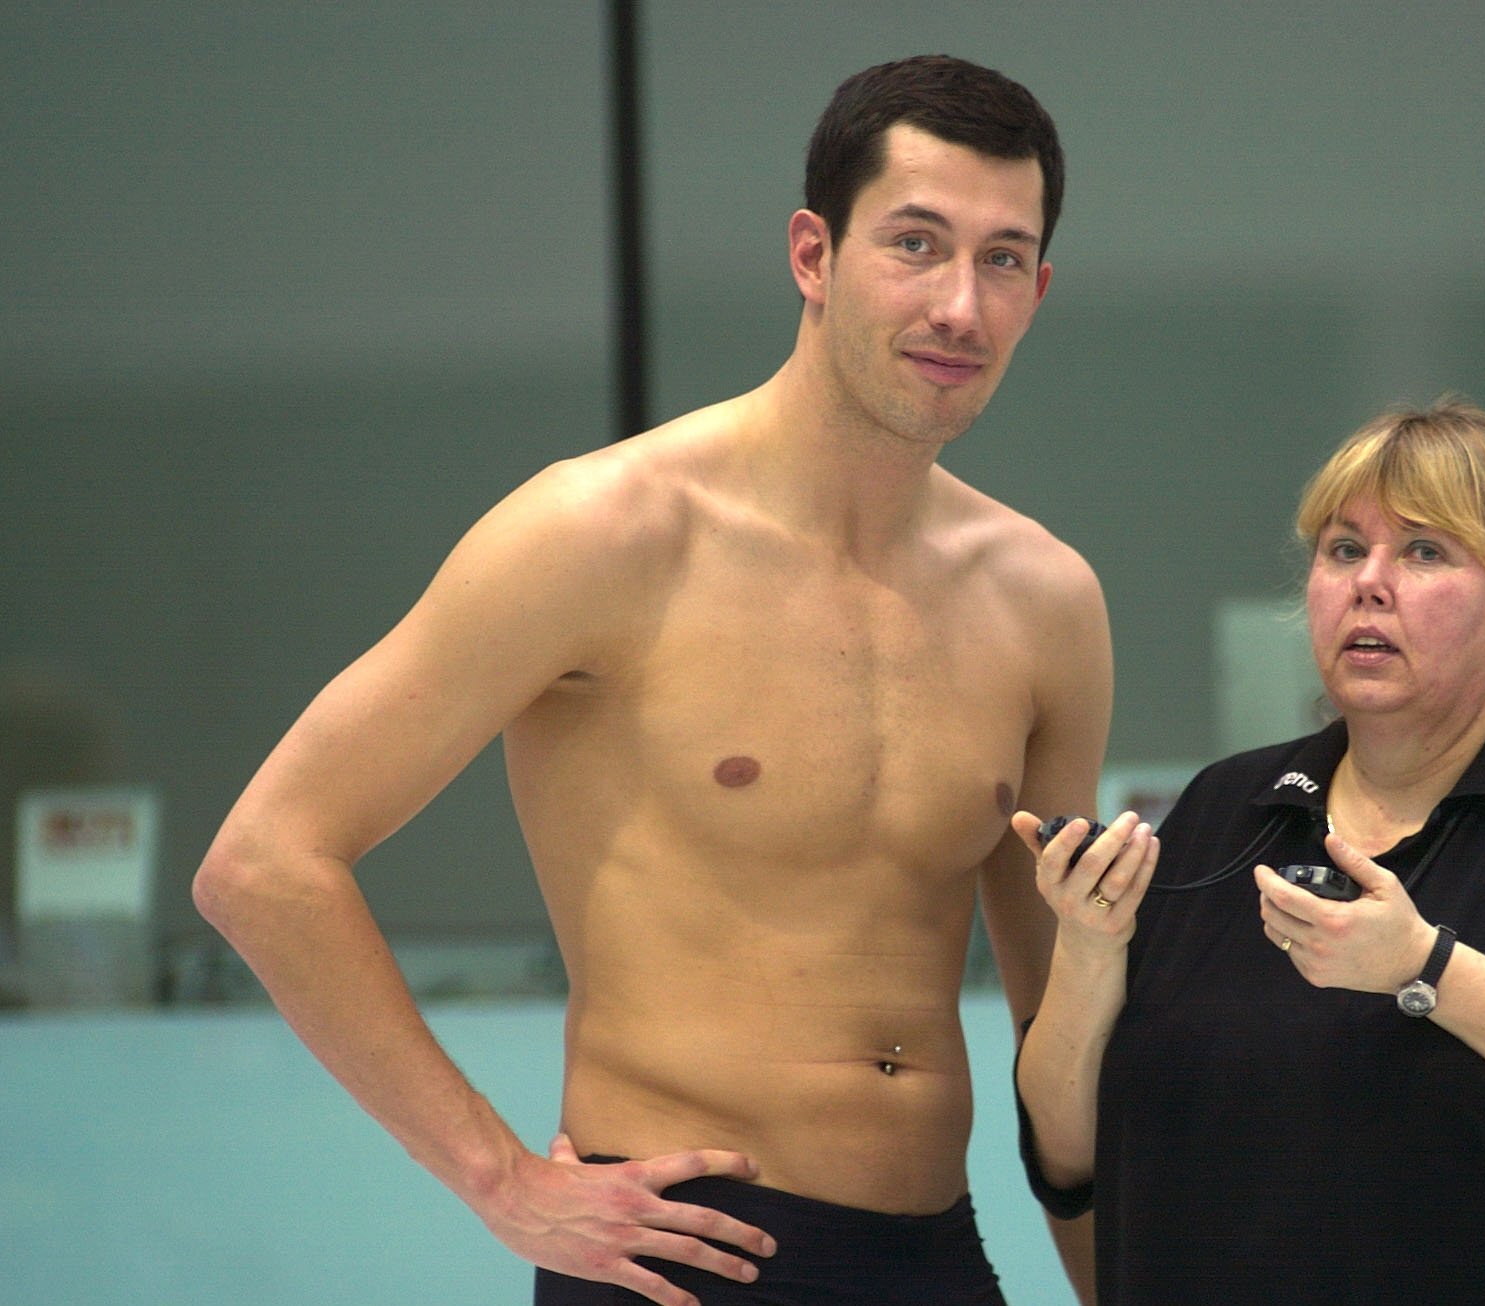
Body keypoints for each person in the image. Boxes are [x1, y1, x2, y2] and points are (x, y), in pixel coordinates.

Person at [195, 55, 1107, 1306]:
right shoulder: (603, 534)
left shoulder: (1046, 602)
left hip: (937, 1257)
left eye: (1003, 258)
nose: (960, 304)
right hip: (676, 1258)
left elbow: (1062, 1041)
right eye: (915, 243)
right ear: (812, 254)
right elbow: (264, 863)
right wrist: (500, 1181)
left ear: (1039, 288)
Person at [1012, 400, 1485, 1304]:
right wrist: (1088, 951)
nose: (1370, 583)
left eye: (1425, 552)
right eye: (1343, 549)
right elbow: (1065, 1155)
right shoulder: (1224, 810)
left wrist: (1425, 967)